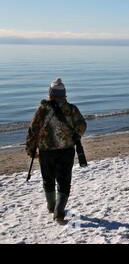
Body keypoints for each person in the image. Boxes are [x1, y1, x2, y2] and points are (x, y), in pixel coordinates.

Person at [26, 78, 87, 224]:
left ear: (50, 93)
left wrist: (30, 149)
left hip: (46, 151)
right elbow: (82, 124)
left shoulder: (42, 109)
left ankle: (51, 206)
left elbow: (32, 130)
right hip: (66, 150)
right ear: (64, 94)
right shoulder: (72, 109)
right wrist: (76, 136)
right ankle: (59, 212)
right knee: (64, 181)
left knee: (48, 180)